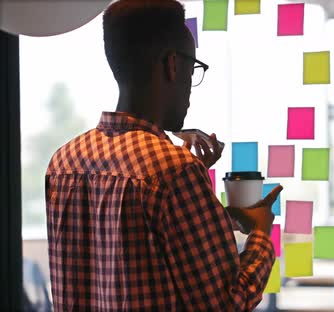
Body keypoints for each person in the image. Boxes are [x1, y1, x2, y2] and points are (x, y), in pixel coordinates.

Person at [45, 0, 281, 310]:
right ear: (172, 64)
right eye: (193, 68)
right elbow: (226, 303)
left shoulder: (63, 163)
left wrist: (205, 205)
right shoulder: (174, 171)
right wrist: (262, 233)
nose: (191, 85)